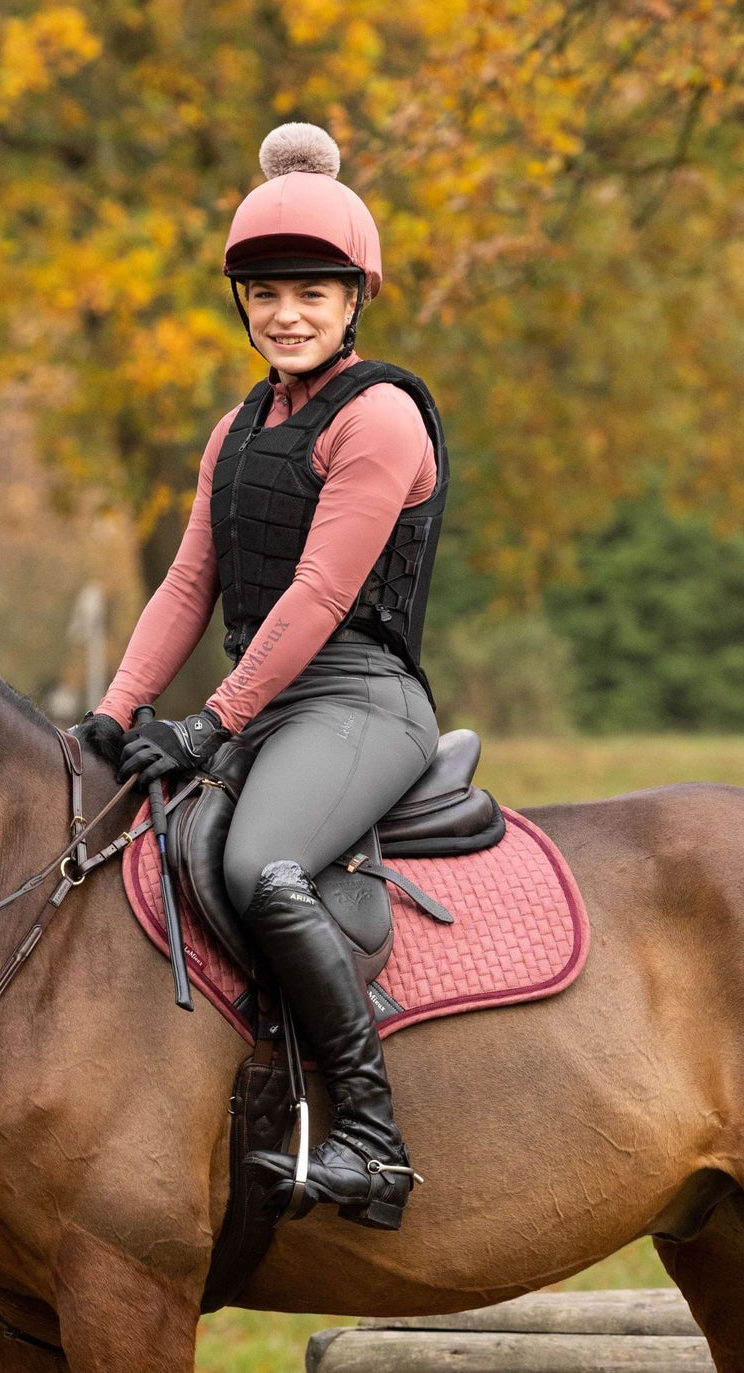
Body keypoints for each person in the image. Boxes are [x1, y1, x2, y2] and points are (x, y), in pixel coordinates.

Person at [77, 123, 448, 1231]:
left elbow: (316, 599)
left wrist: (207, 720)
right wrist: (111, 712)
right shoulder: (234, 427)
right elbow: (190, 581)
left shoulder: (378, 417)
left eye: (311, 292)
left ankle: (373, 1136)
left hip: (358, 699)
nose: (285, 312)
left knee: (262, 863)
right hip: (274, 707)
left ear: (353, 300)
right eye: (265, 291)